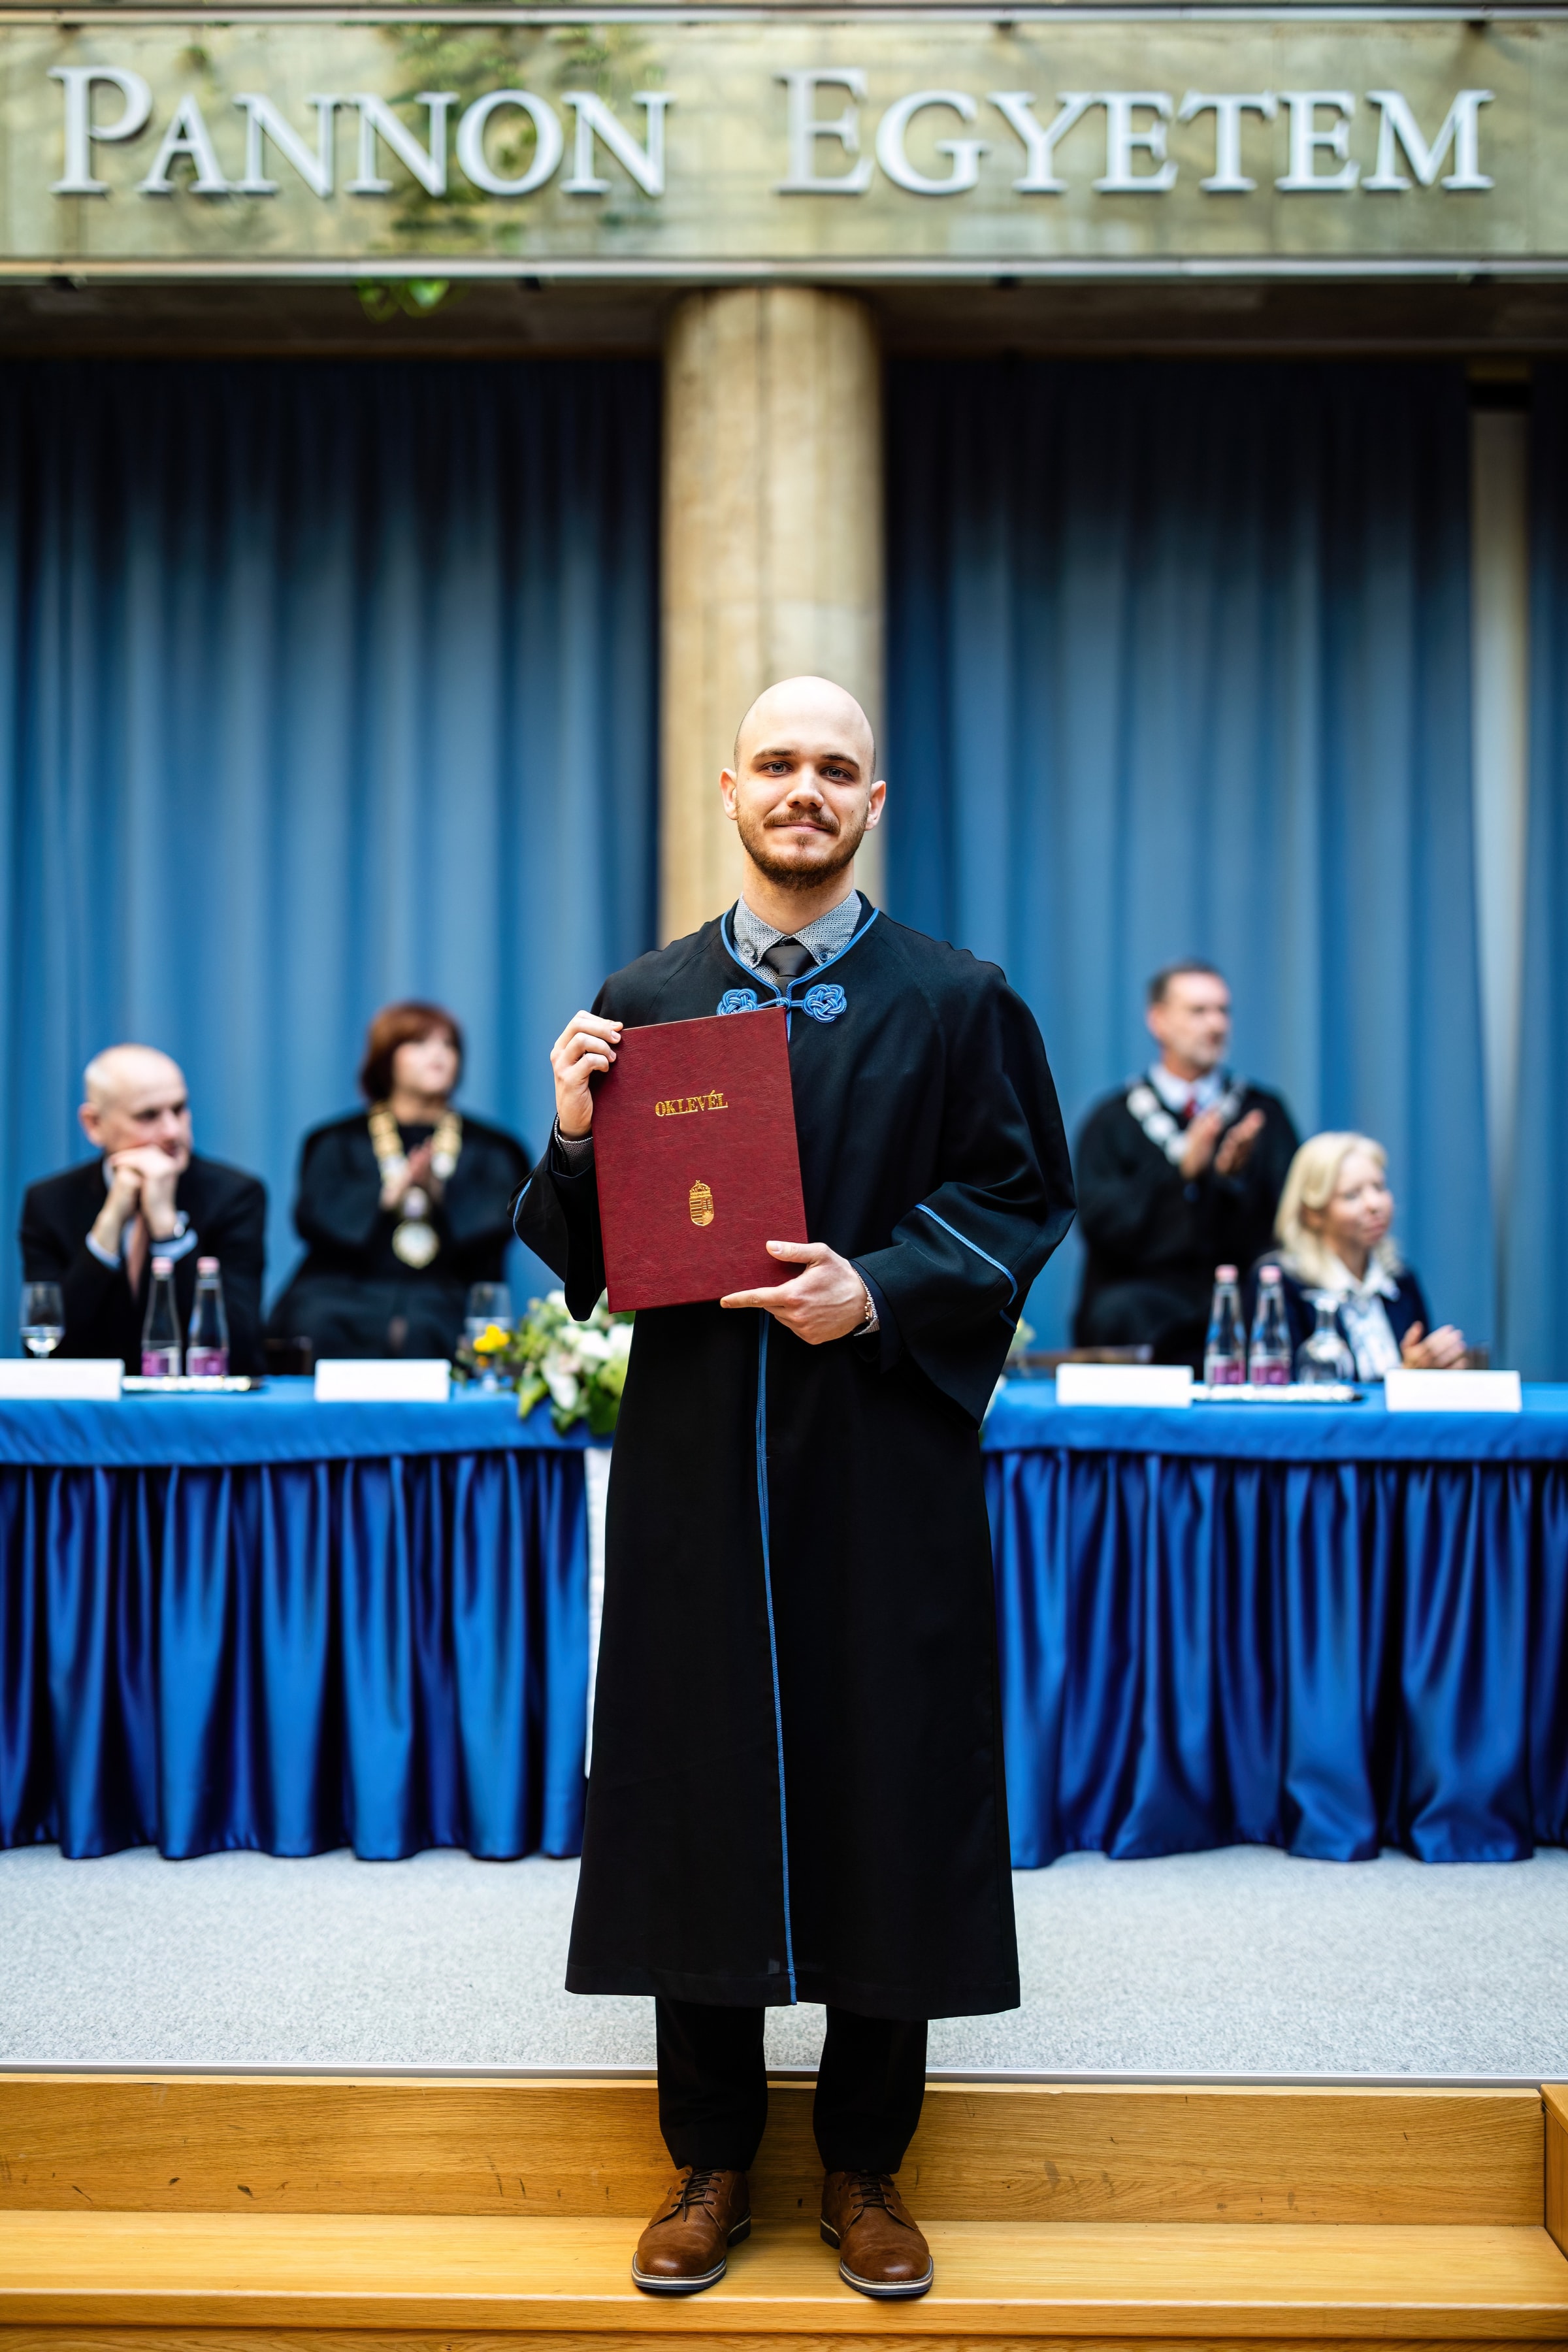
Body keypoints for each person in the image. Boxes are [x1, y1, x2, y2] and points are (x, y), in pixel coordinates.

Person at [515, 676, 1075, 2303]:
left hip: (879, 1460)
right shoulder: (646, 998)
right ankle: (708, 2161)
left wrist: (879, 1286)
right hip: (696, 1465)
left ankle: (865, 2166)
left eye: (835, 767)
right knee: (693, 1785)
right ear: (729, 788)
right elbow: (590, 1256)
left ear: (872, 802)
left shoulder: (957, 999)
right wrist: (571, 1129)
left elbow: (1021, 1194)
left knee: (886, 1784)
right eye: (776, 763)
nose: (803, 789)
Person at [268, 1002, 529, 1362]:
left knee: (429, 1328)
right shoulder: (336, 1141)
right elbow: (313, 1220)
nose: (438, 1055)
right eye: (419, 1043)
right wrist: (387, 1196)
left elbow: (506, 1224)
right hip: (344, 1289)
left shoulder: (494, 1147)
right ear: (386, 1057)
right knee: (318, 1321)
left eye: (448, 1045)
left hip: (446, 1290)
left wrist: (440, 1194)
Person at [1073, 961, 1299, 1369]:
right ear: (1158, 1021)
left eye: (1223, 1011)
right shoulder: (1113, 1121)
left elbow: (1290, 1220)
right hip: (1144, 1309)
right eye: (1198, 1011)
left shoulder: (1261, 1114)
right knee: (1120, 1311)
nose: (1216, 1025)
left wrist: (1231, 1180)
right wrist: (1180, 1172)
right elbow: (1101, 1226)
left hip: (1239, 1304)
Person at [19, 1045, 266, 1373]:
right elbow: (46, 1350)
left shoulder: (235, 1195)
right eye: (148, 1116)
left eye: (179, 1110)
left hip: (193, 1401)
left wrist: (167, 1230)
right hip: (91, 1402)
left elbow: (240, 1350)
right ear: (94, 1124)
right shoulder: (50, 1202)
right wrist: (109, 1225)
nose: (172, 1131)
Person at [1249, 1131, 1466, 1379]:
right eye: (1352, 1195)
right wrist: (1406, 1377)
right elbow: (1286, 1386)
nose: (1375, 1205)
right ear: (1313, 1213)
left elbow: (1421, 1369)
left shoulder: (1400, 1280)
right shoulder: (1279, 1283)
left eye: (1379, 1187)